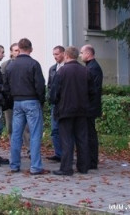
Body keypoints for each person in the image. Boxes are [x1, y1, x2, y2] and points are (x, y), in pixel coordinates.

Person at [5, 38, 47, 175]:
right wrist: (41, 100)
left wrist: (11, 100)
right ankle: (35, 166)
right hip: (32, 100)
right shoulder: (34, 64)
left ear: (19, 48)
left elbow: (6, 86)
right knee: (34, 134)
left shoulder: (11, 65)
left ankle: (14, 165)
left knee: (16, 135)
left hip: (17, 102)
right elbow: (40, 85)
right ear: (31, 49)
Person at [49, 46, 93, 175]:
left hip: (65, 110)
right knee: (82, 138)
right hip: (82, 110)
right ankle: (83, 167)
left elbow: (54, 93)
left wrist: (55, 103)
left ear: (66, 55)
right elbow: (92, 91)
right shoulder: (85, 71)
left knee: (66, 139)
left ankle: (66, 168)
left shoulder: (61, 71)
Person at [80, 44, 103, 170]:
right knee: (88, 134)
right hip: (90, 106)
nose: (80, 55)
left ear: (88, 54)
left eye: (82, 53)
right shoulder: (90, 67)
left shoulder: (93, 68)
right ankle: (90, 159)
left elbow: (92, 90)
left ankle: (92, 161)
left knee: (90, 135)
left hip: (90, 107)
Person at [2, 43, 29, 147]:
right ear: (11, 52)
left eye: (19, 50)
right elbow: (2, 82)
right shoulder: (5, 65)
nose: (18, 52)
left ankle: (29, 148)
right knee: (10, 126)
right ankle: (14, 147)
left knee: (26, 126)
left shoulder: (27, 63)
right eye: (15, 50)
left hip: (23, 98)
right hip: (10, 99)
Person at [46, 45, 65, 162]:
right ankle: (58, 153)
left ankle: (66, 154)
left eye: (57, 54)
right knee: (54, 129)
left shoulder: (67, 67)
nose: (55, 56)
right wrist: (50, 96)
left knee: (66, 130)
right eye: (53, 54)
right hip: (55, 103)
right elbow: (50, 85)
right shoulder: (52, 69)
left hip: (65, 103)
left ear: (63, 53)